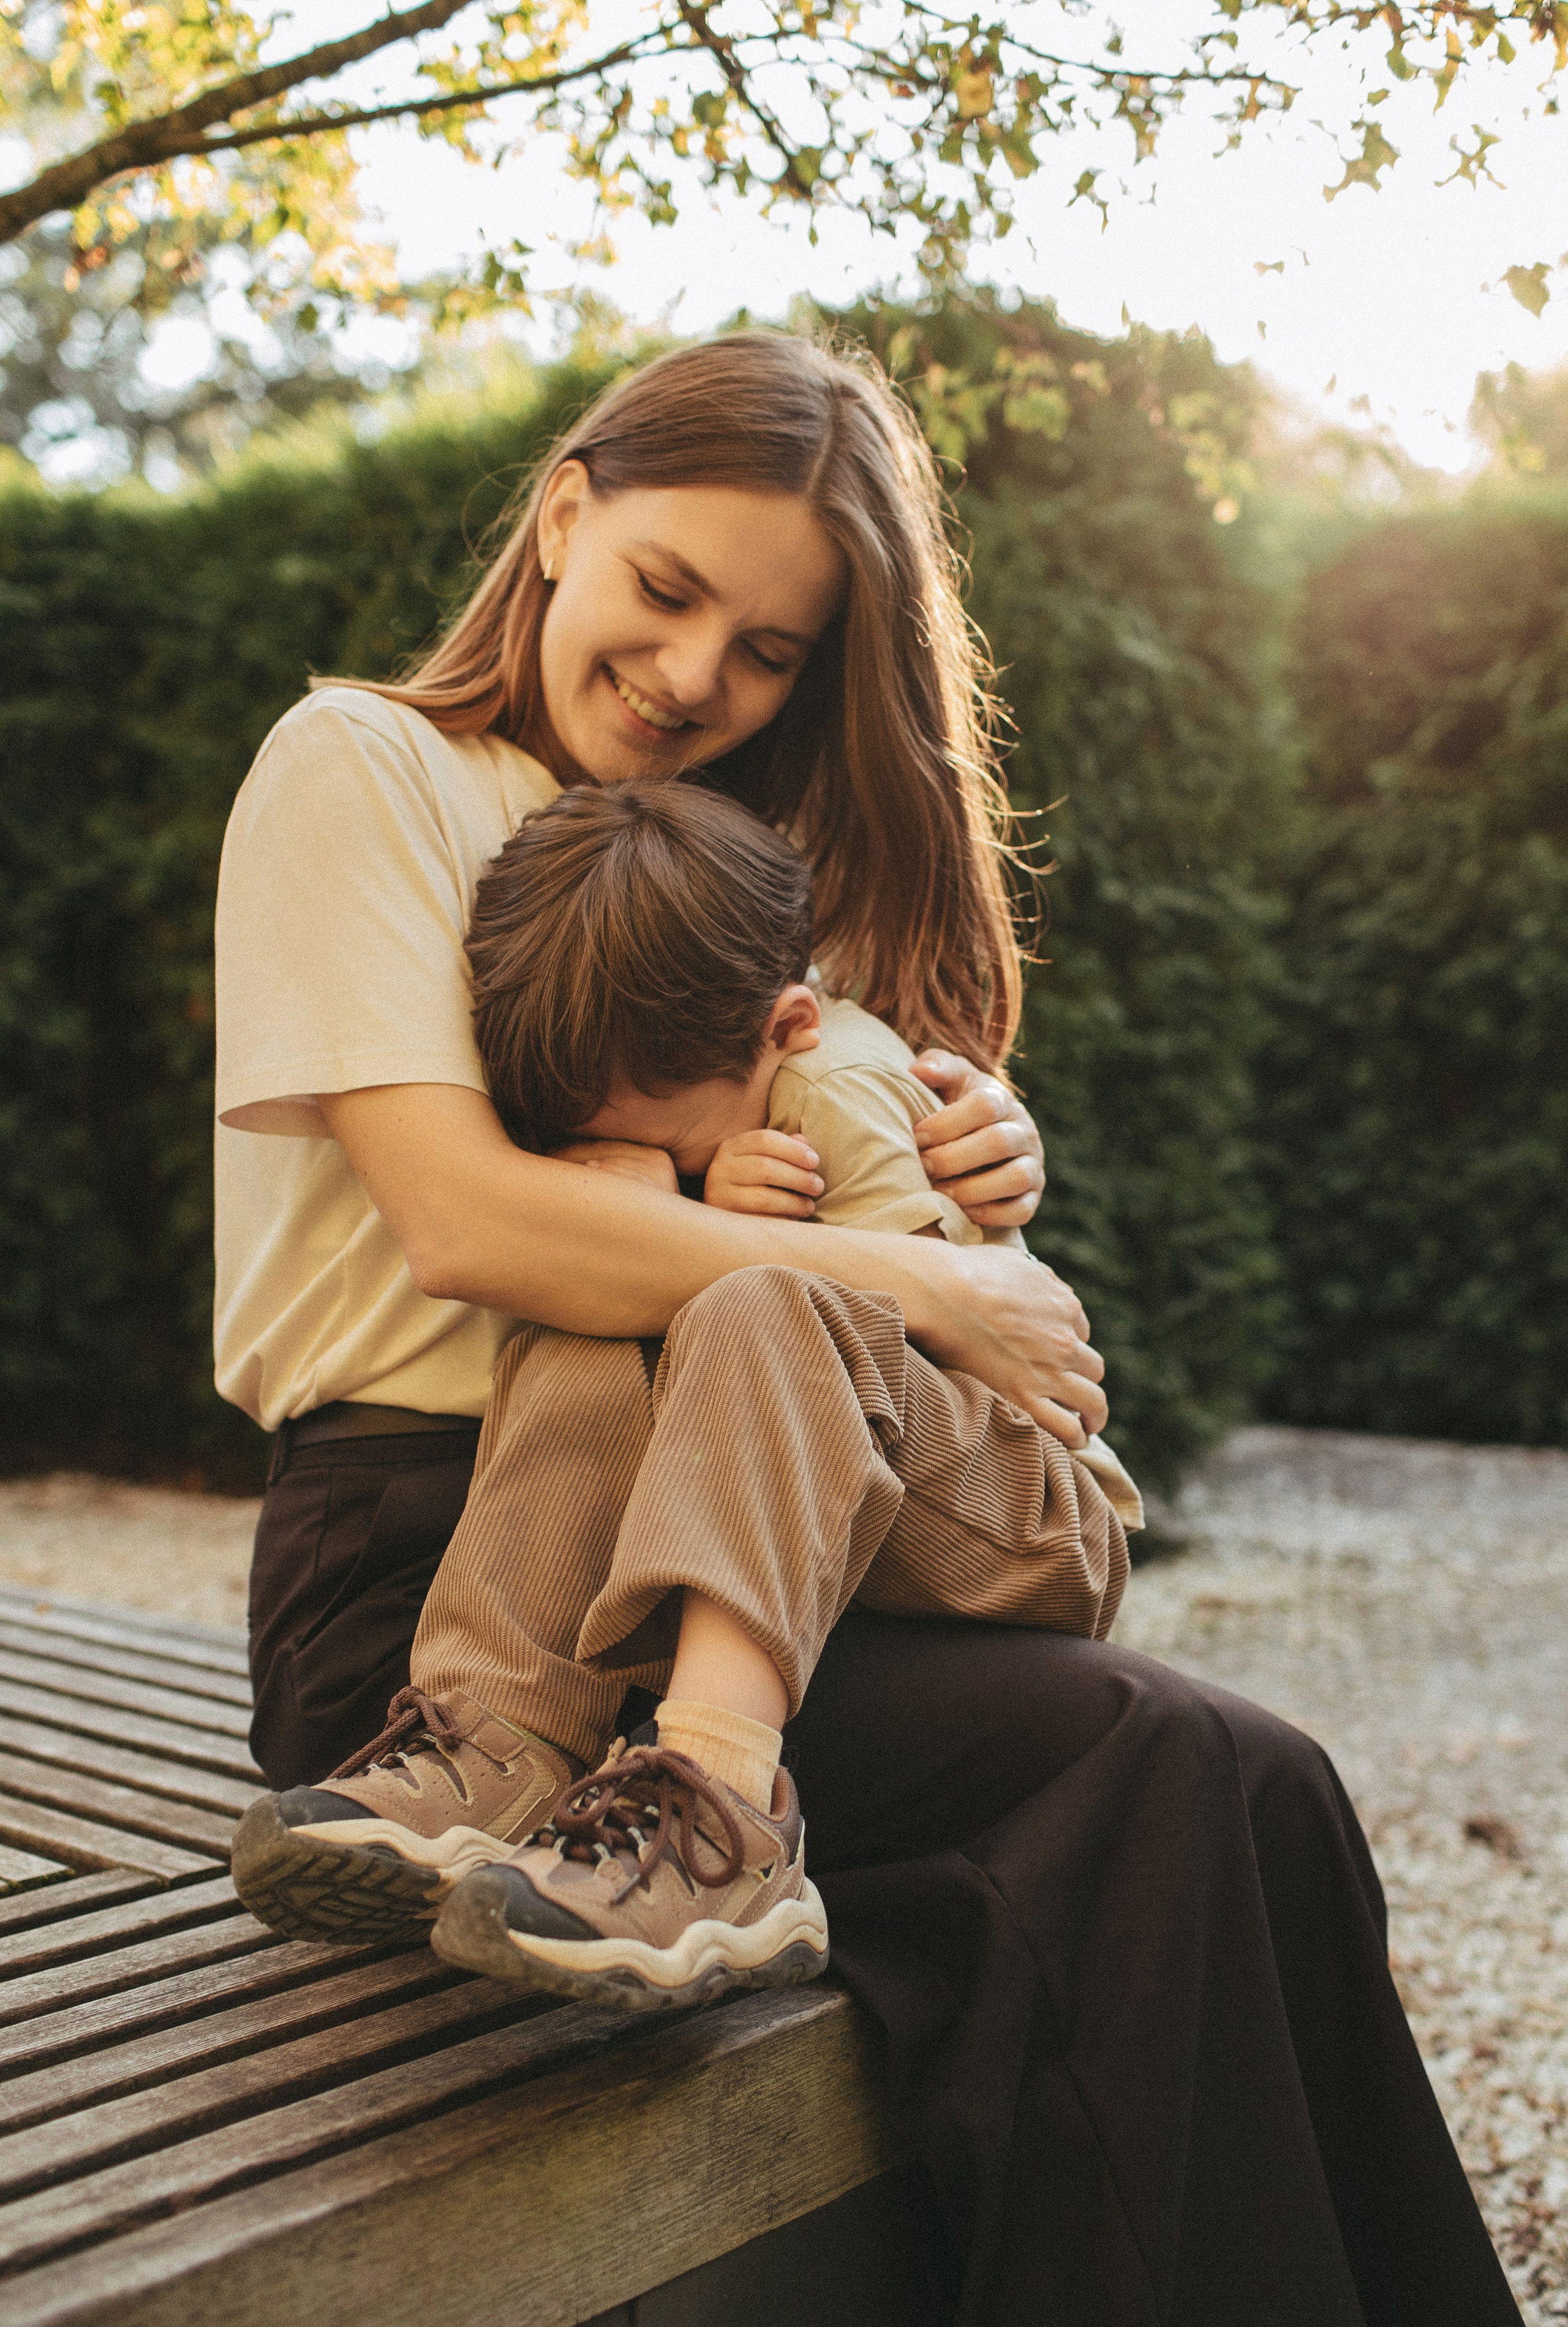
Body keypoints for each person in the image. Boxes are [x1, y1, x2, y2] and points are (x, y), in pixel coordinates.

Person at [214, 331, 1520, 2322]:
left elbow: (826, 1160)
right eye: (667, 592)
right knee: (1145, 1779)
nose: (694, 675)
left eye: (768, 651)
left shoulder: (727, 875)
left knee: (1263, 1779)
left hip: (734, 1546)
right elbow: (466, 1218)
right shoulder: (369, 768)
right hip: (444, 1623)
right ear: (566, 512)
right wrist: (923, 1282)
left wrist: (964, 1152)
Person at [230, 778, 1142, 2010]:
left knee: (759, 1300)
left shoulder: (846, 1097)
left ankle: (725, 1813)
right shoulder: (716, 1074)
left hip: (1025, 1516)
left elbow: (918, 1356)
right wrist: (666, 1206)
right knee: (600, 1312)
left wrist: (735, 1245)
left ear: (789, 1028)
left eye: (669, 1132)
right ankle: (492, 1743)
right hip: (846, 1486)